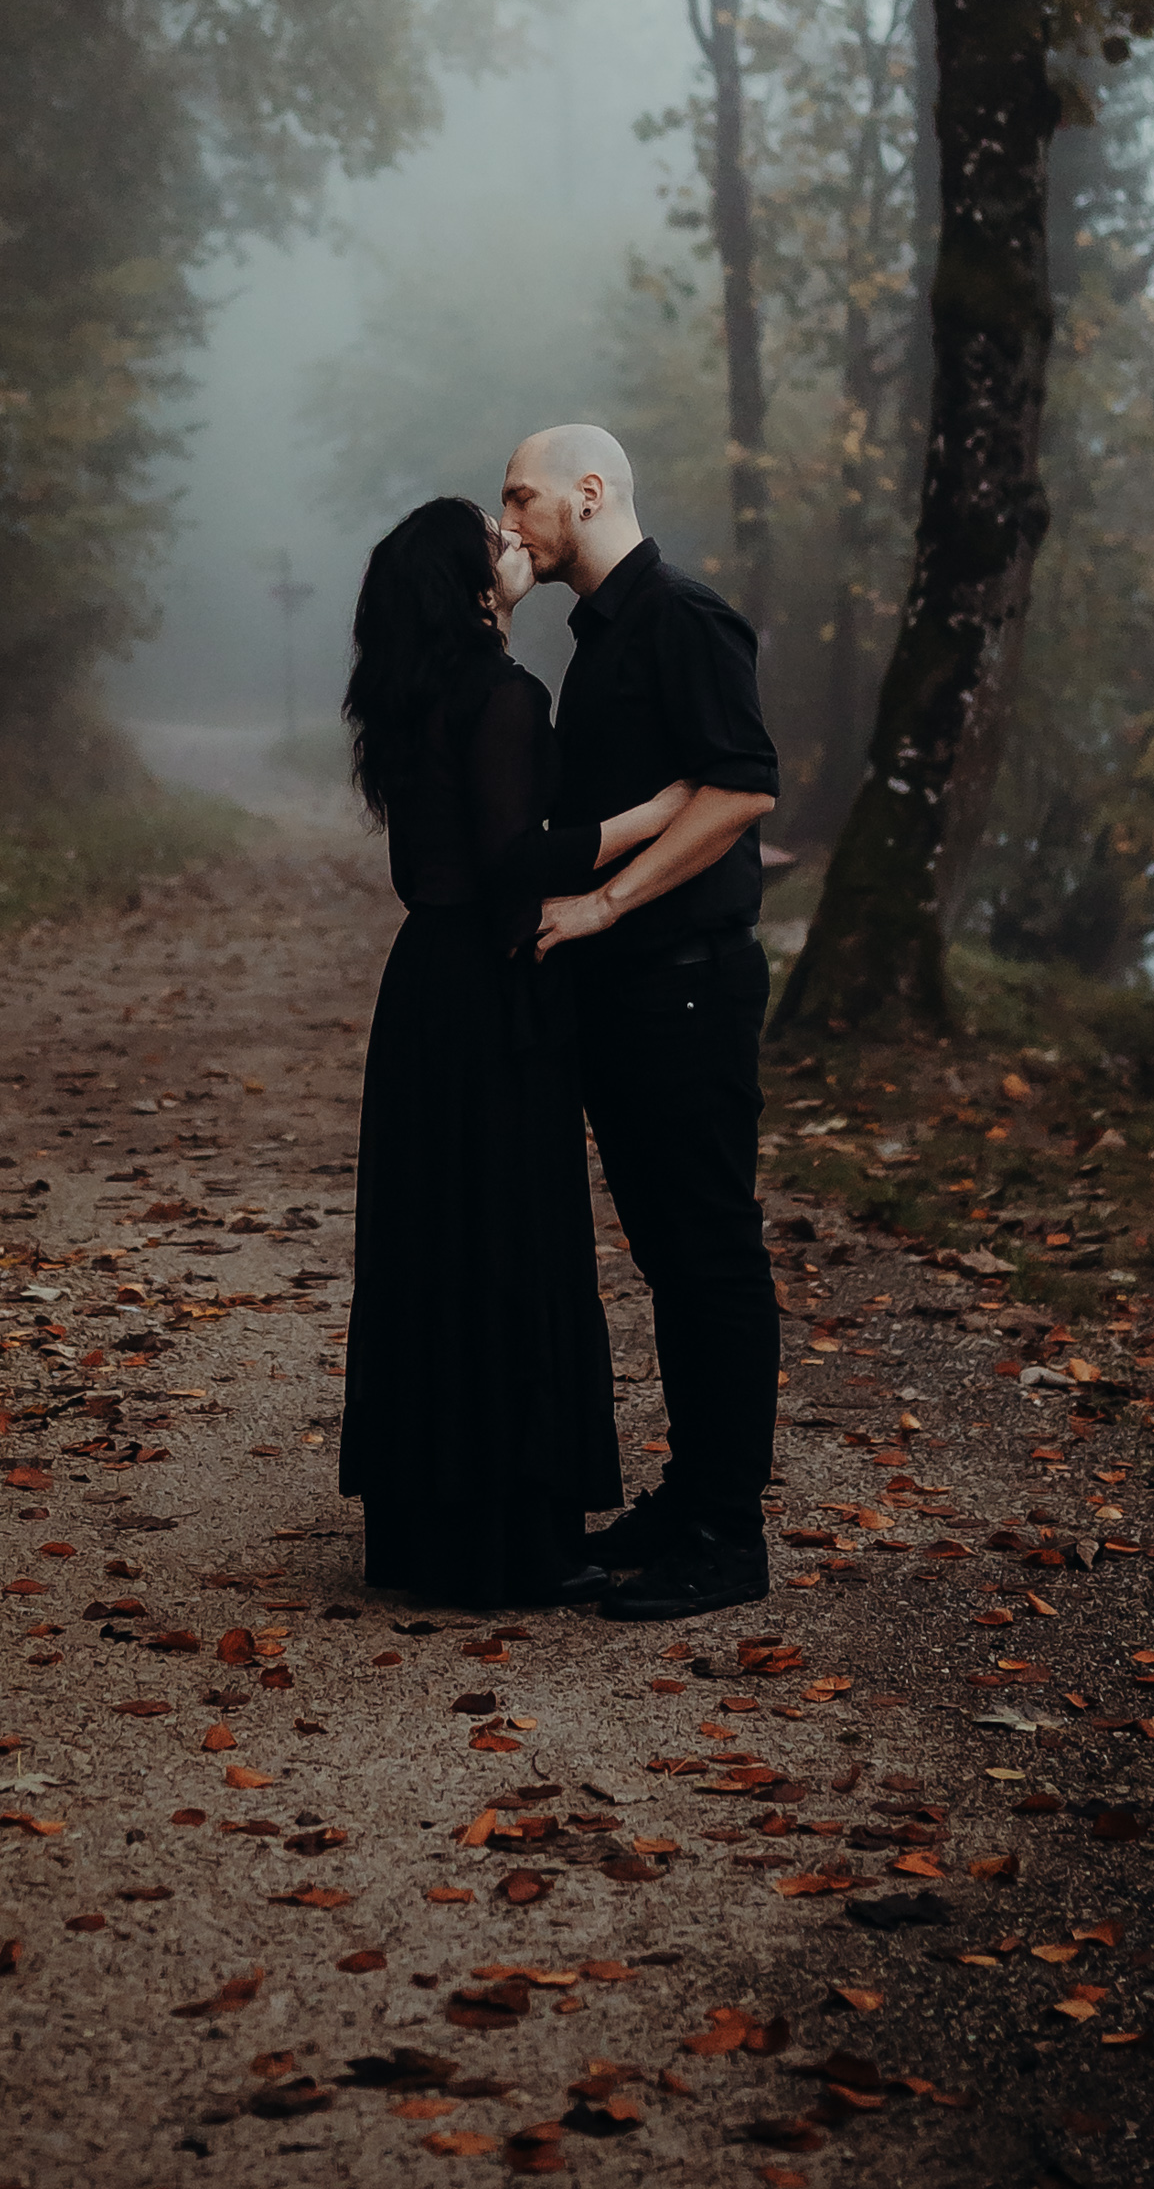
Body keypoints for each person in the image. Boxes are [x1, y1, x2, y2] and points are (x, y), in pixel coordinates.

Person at [335, 492, 693, 1608]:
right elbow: (515, 857)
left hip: (425, 991)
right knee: (504, 1246)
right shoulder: (499, 693)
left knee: (432, 1249)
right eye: (489, 538)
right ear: (468, 582)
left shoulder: (407, 698)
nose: (511, 539)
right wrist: (657, 810)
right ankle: (514, 1539)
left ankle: (427, 1529)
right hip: (492, 987)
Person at [501, 422, 781, 1623]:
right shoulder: (599, 638)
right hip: (630, 990)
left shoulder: (680, 614)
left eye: (521, 497)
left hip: (685, 978)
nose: (507, 519)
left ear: (590, 489)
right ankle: (691, 1494)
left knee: (708, 1251)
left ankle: (727, 1536)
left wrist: (606, 901)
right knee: (670, 1256)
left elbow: (742, 784)